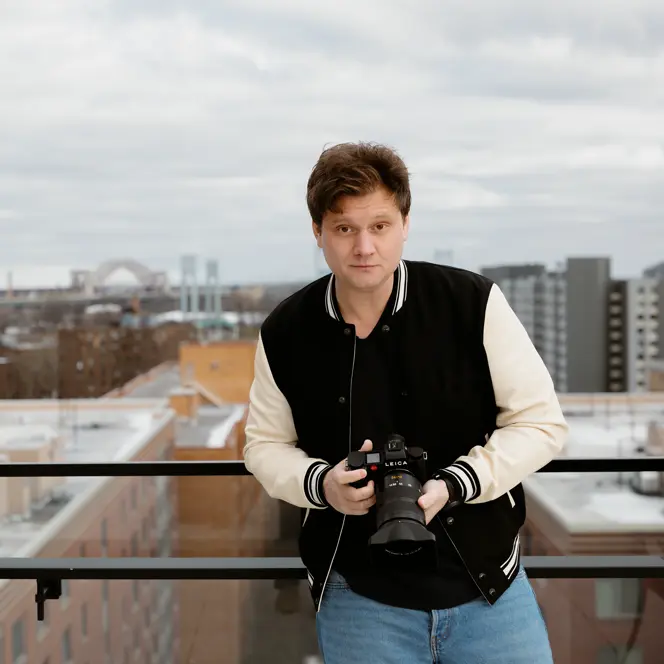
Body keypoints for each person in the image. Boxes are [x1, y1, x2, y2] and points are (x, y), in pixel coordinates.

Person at [243, 141, 568, 663]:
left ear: (405, 224)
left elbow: (542, 424)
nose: (364, 247)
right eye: (344, 228)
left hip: (488, 586)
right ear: (318, 233)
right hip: (360, 596)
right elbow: (263, 447)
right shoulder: (286, 331)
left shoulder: (471, 303)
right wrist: (322, 486)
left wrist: (458, 483)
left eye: (380, 226)